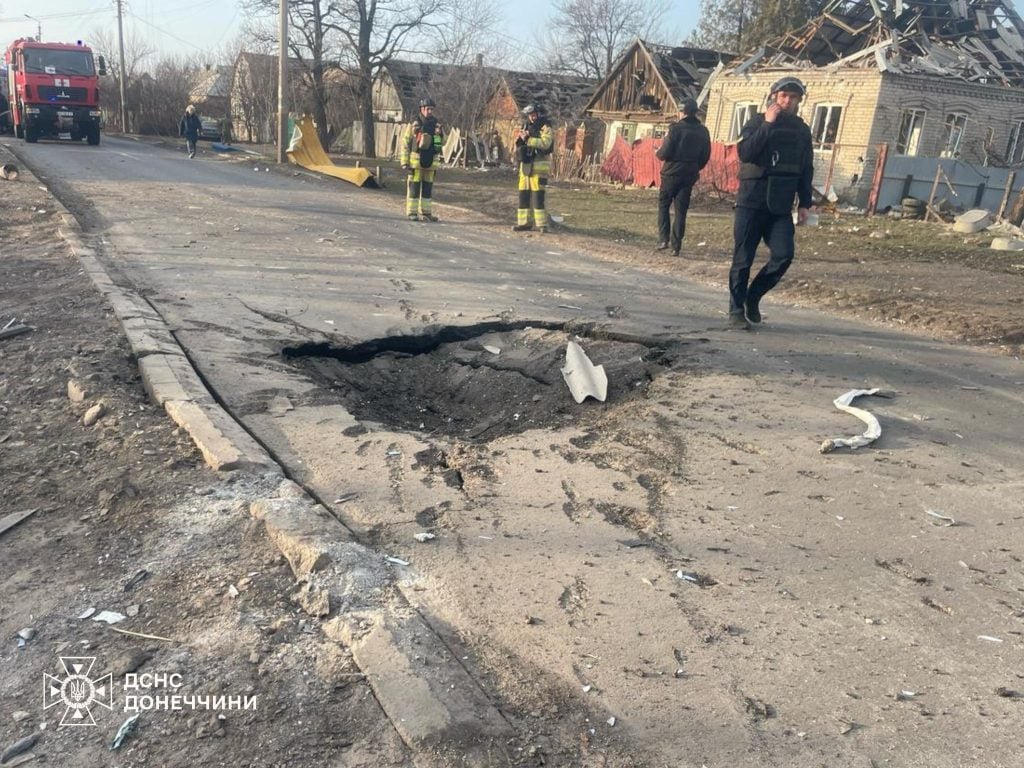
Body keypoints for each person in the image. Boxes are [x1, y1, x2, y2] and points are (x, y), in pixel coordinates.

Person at [729, 76, 814, 329]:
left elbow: (806, 167)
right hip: (751, 201)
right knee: (743, 259)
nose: (787, 101)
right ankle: (735, 311)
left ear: (799, 101)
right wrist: (767, 124)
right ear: (774, 97)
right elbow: (746, 153)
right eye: (783, 96)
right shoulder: (756, 121)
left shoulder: (801, 129)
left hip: (781, 203)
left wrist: (805, 203)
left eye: (793, 97)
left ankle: (752, 297)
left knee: (784, 255)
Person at [655, 97, 711, 257]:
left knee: (664, 205)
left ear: (681, 112)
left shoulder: (675, 129)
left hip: (671, 173)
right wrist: (694, 167)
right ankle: (676, 247)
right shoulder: (703, 130)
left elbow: (665, 152)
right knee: (681, 210)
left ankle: (663, 240)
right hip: (689, 174)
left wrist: (657, 153)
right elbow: (706, 155)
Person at [400, 97, 444, 222]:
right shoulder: (415, 124)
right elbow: (405, 143)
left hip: (431, 165)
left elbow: (443, 142)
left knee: (427, 190)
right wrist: (404, 162)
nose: (430, 111)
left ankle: (426, 213)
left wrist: (440, 134)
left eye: (431, 109)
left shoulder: (437, 125)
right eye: (428, 109)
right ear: (422, 109)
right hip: (415, 164)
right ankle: (412, 213)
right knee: (414, 189)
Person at [513, 104, 554, 232]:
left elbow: (546, 144)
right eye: (529, 115)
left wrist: (529, 140)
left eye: (533, 114)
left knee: (538, 196)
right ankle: (524, 223)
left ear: (539, 113)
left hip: (539, 166)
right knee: (523, 195)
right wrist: (520, 141)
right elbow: (520, 142)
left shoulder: (545, 127)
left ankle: (542, 225)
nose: (531, 117)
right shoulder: (525, 126)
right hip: (526, 165)